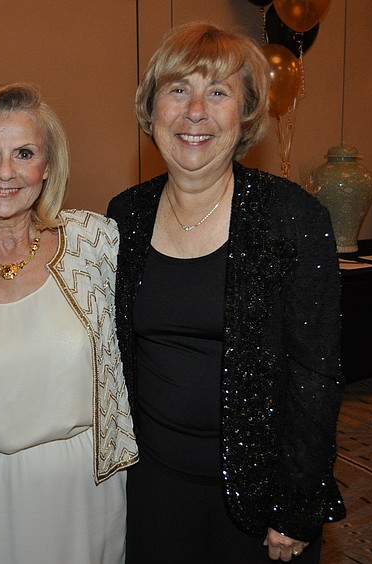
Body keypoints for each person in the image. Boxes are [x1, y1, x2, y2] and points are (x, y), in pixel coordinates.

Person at [107, 22, 345, 563]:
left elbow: (317, 373)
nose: (195, 111)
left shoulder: (292, 217)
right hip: (152, 488)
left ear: (246, 115)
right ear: (152, 109)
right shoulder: (126, 215)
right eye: (178, 90)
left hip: (261, 499)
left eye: (218, 92)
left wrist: (297, 503)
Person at [0, 83, 137, 563]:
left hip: (85, 485)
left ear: (48, 166)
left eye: (24, 152)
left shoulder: (95, 242)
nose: (5, 172)